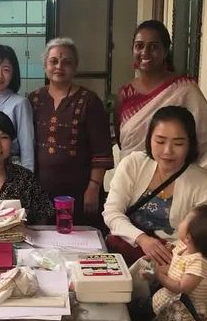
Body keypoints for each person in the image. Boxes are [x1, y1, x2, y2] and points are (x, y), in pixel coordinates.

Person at [104, 106, 207, 266]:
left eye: (178, 143)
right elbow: (112, 212)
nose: (167, 151)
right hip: (122, 253)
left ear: (190, 144)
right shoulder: (133, 164)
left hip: (171, 261)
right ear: (149, 139)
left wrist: (172, 255)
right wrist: (142, 239)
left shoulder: (201, 181)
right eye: (160, 141)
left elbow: (200, 235)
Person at [29, 37, 113, 226]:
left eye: (67, 62)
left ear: (75, 67)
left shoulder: (89, 101)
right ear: (45, 66)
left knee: (80, 238)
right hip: (42, 190)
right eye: (53, 61)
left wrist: (94, 187)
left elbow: (101, 150)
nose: (59, 66)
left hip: (81, 190)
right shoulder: (34, 100)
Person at [115, 19, 207, 164]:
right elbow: (122, 142)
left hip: (174, 173)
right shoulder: (125, 93)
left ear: (165, 51)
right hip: (130, 174)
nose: (145, 52)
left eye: (153, 47)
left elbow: (203, 138)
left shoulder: (185, 89)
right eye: (139, 46)